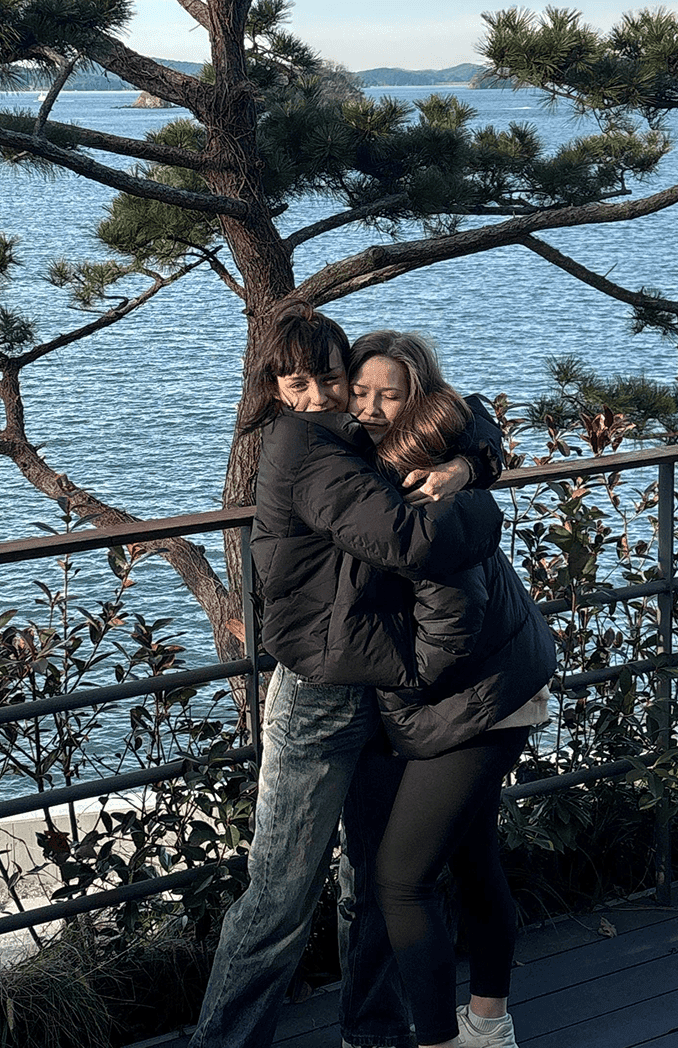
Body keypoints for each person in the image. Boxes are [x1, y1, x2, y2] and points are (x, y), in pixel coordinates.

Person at [190, 301, 505, 1048]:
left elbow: (471, 417)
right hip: (319, 693)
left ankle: (374, 1035)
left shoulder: (356, 436)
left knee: (372, 885)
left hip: (382, 687)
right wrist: (478, 506)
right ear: (273, 388)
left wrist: (464, 465)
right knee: (280, 897)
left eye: (332, 379)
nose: (321, 397)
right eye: (297, 383)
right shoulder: (304, 443)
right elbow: (403, 539)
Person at [344, 331, 556, 1048]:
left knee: (401, 880)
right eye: (360, 391)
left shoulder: (423, 478)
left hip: (481, 693)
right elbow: (480, 426)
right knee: (471, 858)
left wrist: (397, 685)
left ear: (417, 399)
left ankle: (439, 1039)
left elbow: (453, 621)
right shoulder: (429, 450)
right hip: (492, 677)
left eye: (389, 394)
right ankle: (489, 1027)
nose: (370, 407)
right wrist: (469, 462)